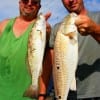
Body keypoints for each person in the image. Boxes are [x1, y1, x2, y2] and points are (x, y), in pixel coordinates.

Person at [0, 0, 52, 100]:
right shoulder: (3, 26)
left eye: (34, 2)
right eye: (25, 0)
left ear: (39, 6)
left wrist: (42, 95)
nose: (29, 3)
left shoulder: (45, 29)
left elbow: (47, 63)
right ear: (19, 2)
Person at [49, 0, 100, 100]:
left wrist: (95, 30)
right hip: (65, 94)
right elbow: (53, 65)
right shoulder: (56, 28)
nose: (71, 0)